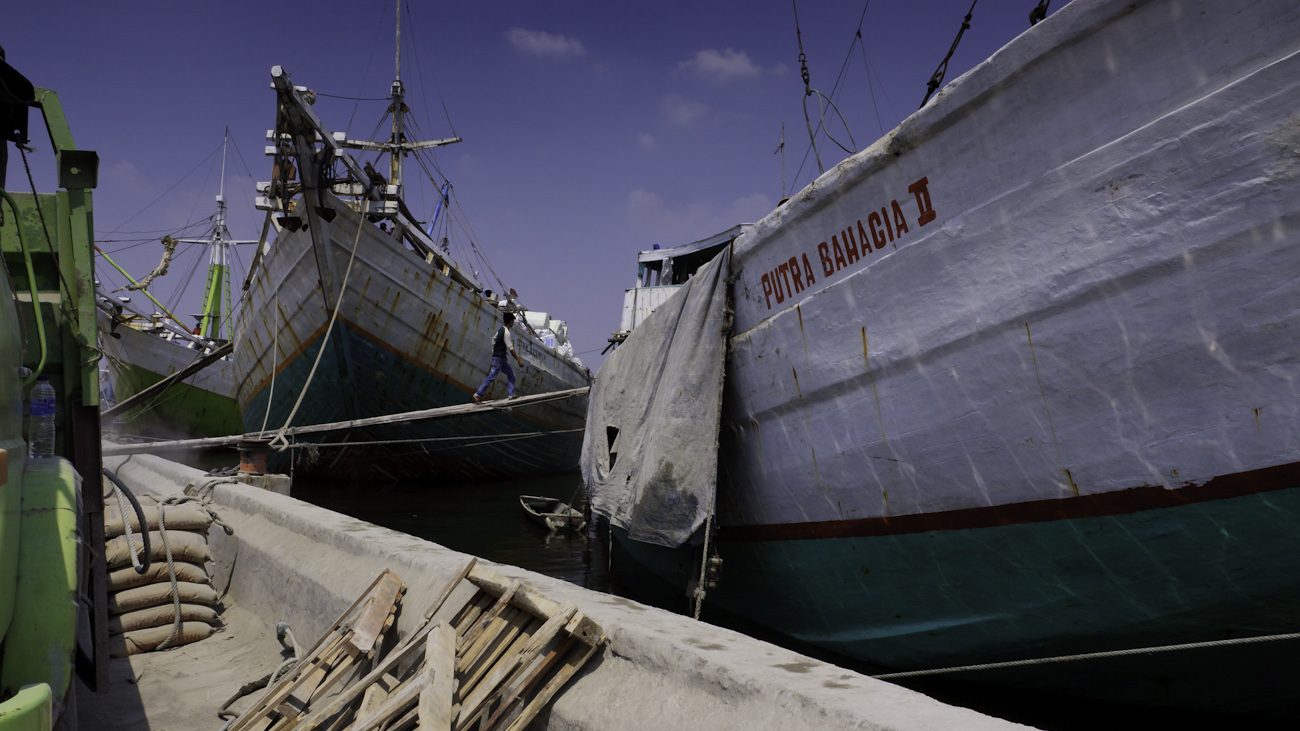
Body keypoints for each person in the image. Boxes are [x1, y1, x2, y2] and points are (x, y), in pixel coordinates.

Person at [473, 312, 524, 403]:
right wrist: (518, 360)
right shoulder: (507, 333)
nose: (513, 323)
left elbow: (493, 340)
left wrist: (494, 351)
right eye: (513, 321)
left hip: (501, 358)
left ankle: (511, 394)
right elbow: (510, 348)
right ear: (511, 321)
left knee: (511, 375)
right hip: (499, 358)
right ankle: (478, 394)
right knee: (492, 376)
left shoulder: (500, 330)